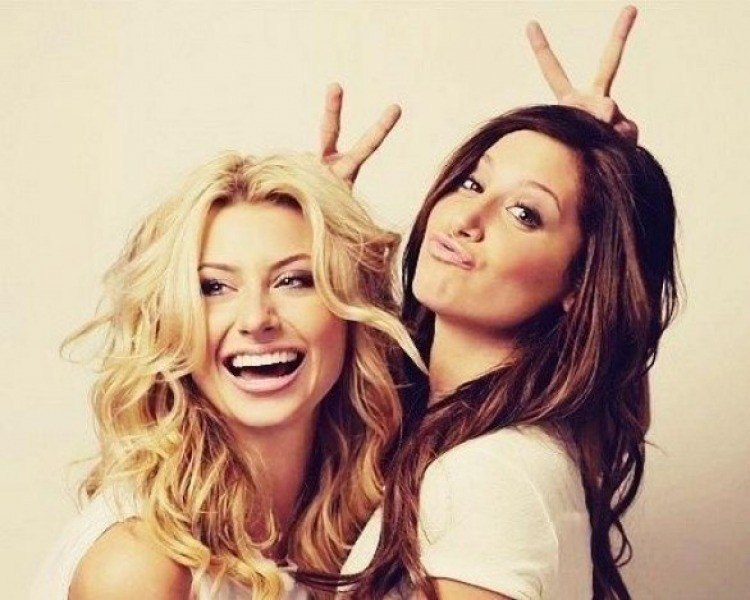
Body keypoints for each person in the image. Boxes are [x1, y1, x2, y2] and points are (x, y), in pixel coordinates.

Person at [309, 6, 679, 600]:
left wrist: (614, 191)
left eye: (524, 213)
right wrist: (315, 235)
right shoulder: (452, 439)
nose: (468, 217)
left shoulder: (492, 475)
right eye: (473, 183)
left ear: (582, 281)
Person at [32, 152, 422, 599]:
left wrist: (335, 223)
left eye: (294, 280)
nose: (256, 319)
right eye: (214, 287)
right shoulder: (140, 567)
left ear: (350, 308)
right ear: (169, 323)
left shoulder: (355, 524)